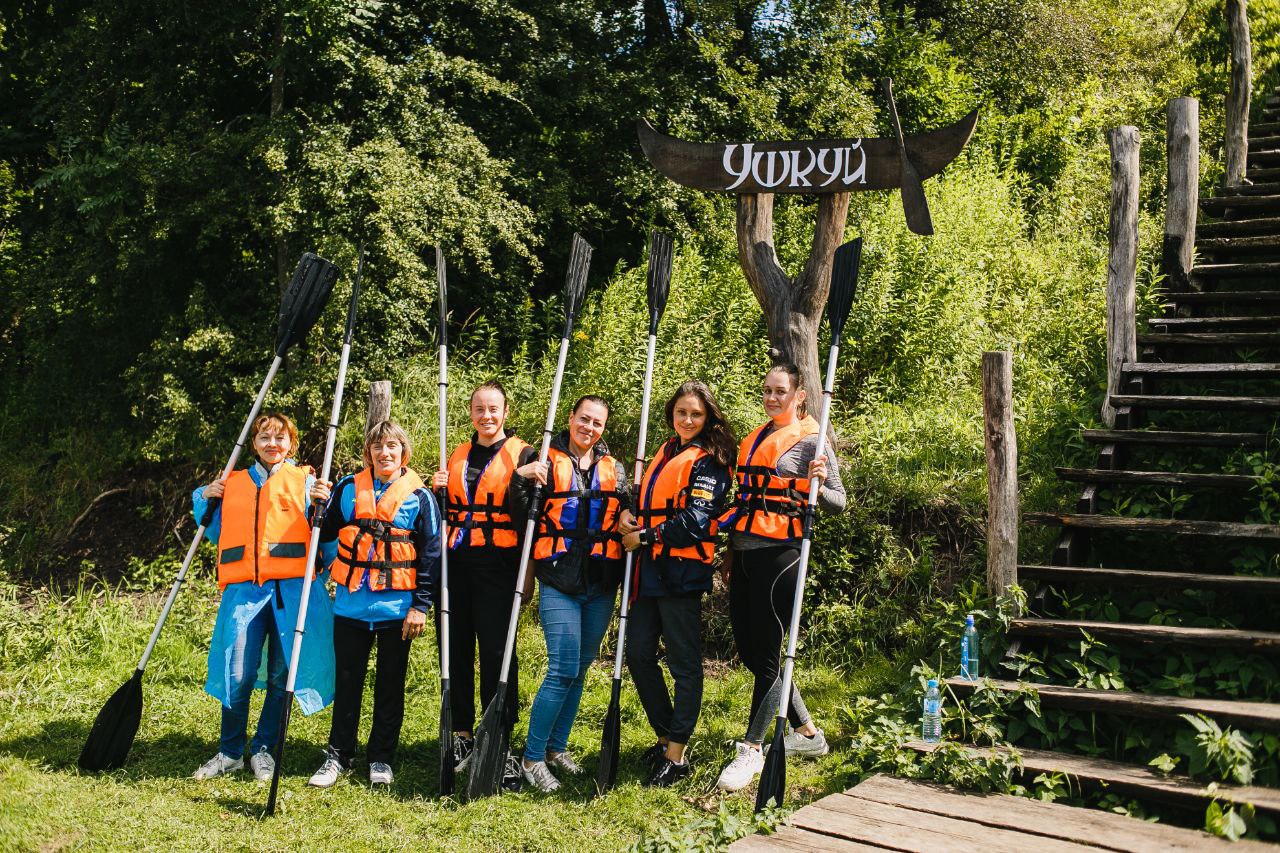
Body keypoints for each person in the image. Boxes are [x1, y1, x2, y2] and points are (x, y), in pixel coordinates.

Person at [714, 362, 846, 792]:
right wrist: (730, 555)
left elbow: (838, 503)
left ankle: (752, 749)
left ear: (800, 395)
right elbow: (745, 500)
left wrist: (819, 484)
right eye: (767, 390)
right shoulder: (755, 438)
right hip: (746, 553)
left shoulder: (811, 440)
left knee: (769, 658)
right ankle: (808, 733)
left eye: (780, 392)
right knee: (753, 655)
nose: (772, 398)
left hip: (782, 556)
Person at [191, 412, 335, 782]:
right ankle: (230, 751)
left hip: (292, 594)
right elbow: (212, 527)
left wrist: (325, 502)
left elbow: (328, 537)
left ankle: (264, 749)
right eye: (265, 437)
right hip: (245, 594)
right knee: (236, 672)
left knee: (280, 676)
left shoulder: (306, 482)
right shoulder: (232, 483)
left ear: (292, 443)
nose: (273, 444)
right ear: (254, 443)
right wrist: (204, 496)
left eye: (280, 438)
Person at [306, 420, 440, 788]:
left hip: (397, 612)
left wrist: (421, 606)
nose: (385, 453)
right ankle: (338, 755)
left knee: (390, 686)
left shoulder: (420, 497)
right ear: (369, 453)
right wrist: (315, 504)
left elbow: (431, 555)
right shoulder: (349, 488)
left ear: (403, 453)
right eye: (378, 446)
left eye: (392, 446)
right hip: (350, 608)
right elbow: (322, 527)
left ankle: (381, 758)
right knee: (348, 683)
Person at [619, 380, 735, 788]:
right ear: (672, 413)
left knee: (684, 665)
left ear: (708, 419)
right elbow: (650, 502)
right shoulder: (667, 451)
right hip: (650, 572)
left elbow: (696, 521)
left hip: (682, 574)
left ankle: (677, 755)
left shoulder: (710, 460)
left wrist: (645, 537)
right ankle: (666, 733)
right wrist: (629, 517)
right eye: (682, 412)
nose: (688, 420)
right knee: (637, 655)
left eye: (696, 414)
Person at [511, 395, 630, 792]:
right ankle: (531, 757)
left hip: (600, 583)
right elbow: (520, 513)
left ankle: (556, 749)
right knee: (562, 668)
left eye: (597, 423)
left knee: (579, 669)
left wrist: (633, 509)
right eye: (584, 419)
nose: (589, 428)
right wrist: (520, 478)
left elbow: (627, 512)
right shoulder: (545, 461)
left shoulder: (615, 469)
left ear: (603, 429)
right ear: (571, 419)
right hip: (559, 580)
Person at [432, 380, 538, 792]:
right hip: (456, 565)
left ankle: (501, 740)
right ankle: (461, 734)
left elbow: (529, 517)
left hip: (499, 567)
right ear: (471, 412)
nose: (486, 416)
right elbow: (442, 509)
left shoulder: (525, 455)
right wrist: (436, 488)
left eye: (493, 409)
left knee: (498, 654)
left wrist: (522, 478)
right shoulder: (456, 454)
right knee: (455, 648)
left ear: (505, 412)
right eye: (479, 408)